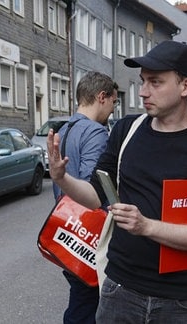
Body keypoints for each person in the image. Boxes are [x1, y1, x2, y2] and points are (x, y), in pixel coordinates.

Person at [47, 40, 187, 323]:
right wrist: (62, 178)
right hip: (119, 288)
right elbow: (96, 196)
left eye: (155, 82)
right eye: (143, 81)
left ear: (185, 86)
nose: (143, 92)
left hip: (180, 299)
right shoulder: (126, 130)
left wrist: (145, 226)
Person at [52, 71, 118, 324]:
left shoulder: (65, 129)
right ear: (102, 97)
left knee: (80, 298)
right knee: (88, 305)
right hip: (88, 235)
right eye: (113, 102)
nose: (112, 110)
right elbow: (95, 188)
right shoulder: (96, 132)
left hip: (67, 229)